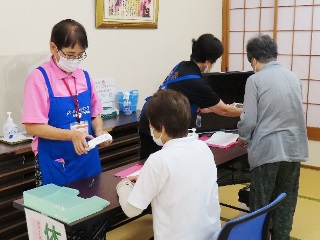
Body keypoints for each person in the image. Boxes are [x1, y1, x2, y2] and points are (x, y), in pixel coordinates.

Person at [116, 89, 221, 240]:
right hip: (212, 235)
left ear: (162, 128)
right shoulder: (203, 147)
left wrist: (123, 186)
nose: (151, 130)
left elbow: (132, 210)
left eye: (152, 126)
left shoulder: (158, 160)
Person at [22, 19, 112, 187]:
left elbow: (95, 114)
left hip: (87, 159)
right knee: (58, 210)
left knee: (93, 206)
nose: (75, 60)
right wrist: (72, 135)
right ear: (53, 47)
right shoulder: (39, 79)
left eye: (80, 55)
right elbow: (32, 126)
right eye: (70, 55)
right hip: (55, 162)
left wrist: (99, 131)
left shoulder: (84, 76)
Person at [237, 34, 309, 240]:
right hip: (294, 148)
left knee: (261, 202)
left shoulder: (255, 80)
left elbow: (249, 120)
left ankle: (258, 237)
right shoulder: (293, 77)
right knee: (286, 199)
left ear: (253, 60)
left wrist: (243, 136)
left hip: (268, 150)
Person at [139, 33, 242, 159]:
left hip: (149, 115)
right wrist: (248, 111)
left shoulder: (182, 66)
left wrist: (225, 108)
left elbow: (199, 105)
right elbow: (224, 111)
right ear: (209, 62)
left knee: (153, 163)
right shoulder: (196, 82)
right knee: (156, 164)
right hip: (159, 126)